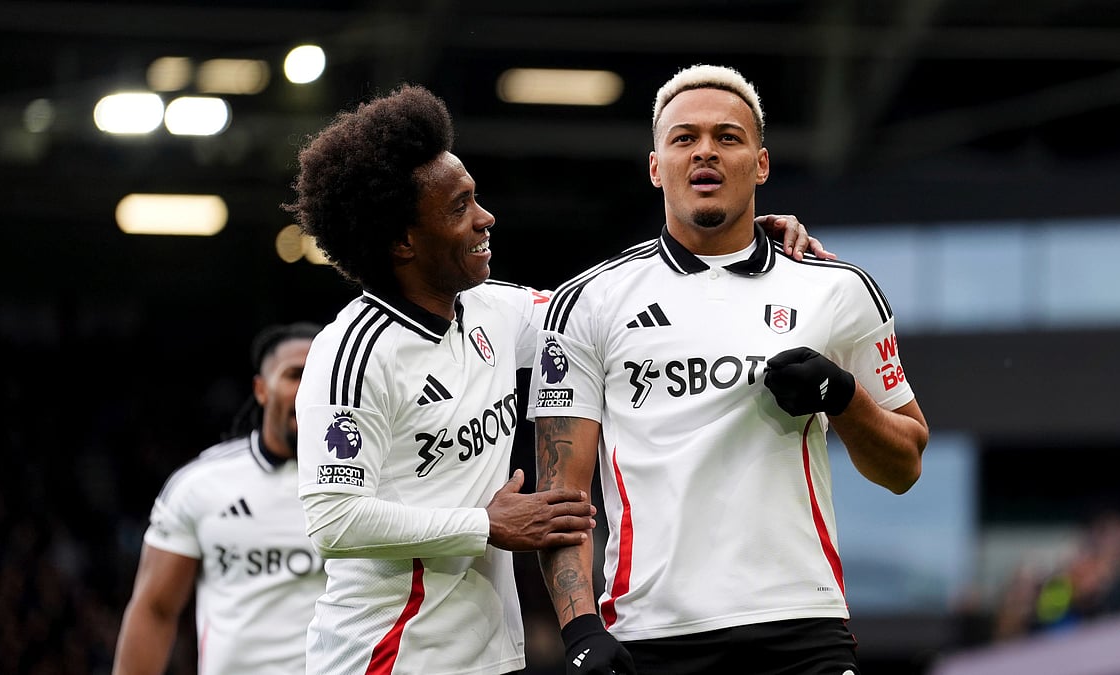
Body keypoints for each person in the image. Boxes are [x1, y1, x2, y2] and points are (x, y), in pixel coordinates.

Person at [285, 83, 831, 675]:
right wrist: (485, 524)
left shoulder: (498, 312)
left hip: (489, 653)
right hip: (384, 656)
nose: (485, 218)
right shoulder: (352, 353)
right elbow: (334, 519)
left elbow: (613, 308)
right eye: (459, 207)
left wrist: (740, 246)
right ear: (401, 241)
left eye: (477, 198)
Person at [531, 64, 931, 675]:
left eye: (728, 136)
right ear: (655, 166)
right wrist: (581, 628)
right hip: (650, 632)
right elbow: (562, 494)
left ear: (762, 164)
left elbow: (905, 466)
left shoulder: (838, 290)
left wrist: (842, 396)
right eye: (684, 138)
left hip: (803, 624)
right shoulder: (588, 301)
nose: (705, 152)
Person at [112, 322, 326, 675]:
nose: (309, 389)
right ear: (260, 389)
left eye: (321, 376)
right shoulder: (201, 485)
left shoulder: (379, 481)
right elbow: (155, 609)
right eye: (295, 375)